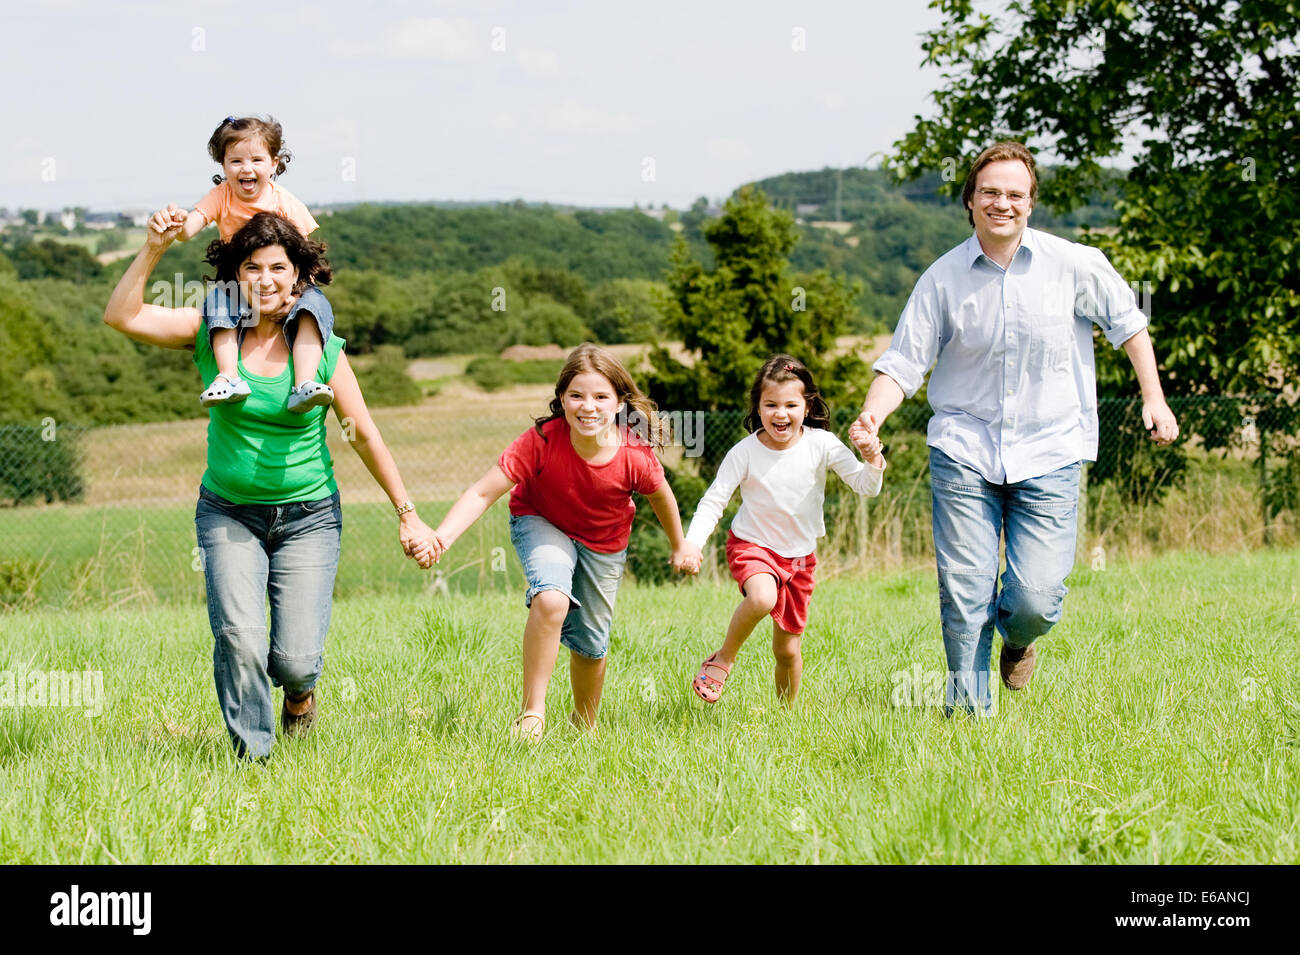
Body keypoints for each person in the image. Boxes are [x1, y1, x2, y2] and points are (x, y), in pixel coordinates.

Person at [859, 140, 1179, 714]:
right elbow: (902, 362)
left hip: (1051, 448)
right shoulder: (942, 279)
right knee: (965, 587)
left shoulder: (1075, 264)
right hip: (963, 447)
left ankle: (1021, 638)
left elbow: (1129, 326)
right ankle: (968, 714)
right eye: (989, 193)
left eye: (1014, 194)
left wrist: (1153, 399)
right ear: (970, 202)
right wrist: (871, 417)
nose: (1001, 203)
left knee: (1036, 594)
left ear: (1031, 203)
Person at [104, 209, 434, 759]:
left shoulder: (323, 347)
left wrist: (407, 512)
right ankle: (254, 760)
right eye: (251, 267)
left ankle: (300, 698)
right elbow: (122, 315)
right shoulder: (211, 335)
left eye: (278, 267)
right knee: (239, 638)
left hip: (309, 516)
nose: (264, 278)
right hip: (228, 512)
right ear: (236, 276)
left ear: (299, 274)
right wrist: (153, 249)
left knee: (295, 661)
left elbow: (363, 434)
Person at [411, 344, 697, 739]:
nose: (587, 406)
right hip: (541, 521)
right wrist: (441, 538)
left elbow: (661, 494)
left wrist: (679, 545)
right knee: (551, 597)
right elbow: (482, 492)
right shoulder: (542, 440)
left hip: (604, 540)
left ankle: (585, 725)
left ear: (618, 404)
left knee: (592, 642)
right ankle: (532, 714)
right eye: (576, 395)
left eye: (601, 397)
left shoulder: (634, 453)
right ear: (562, 398)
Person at [680, 355, 885, 705]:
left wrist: (872, 458)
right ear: (757, 407)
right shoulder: (744, 453)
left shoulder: (822, 444)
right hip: (752, 546)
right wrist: (692, 544)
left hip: (800, 560)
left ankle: (784, 717)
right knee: (762, 597)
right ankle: (723, 659)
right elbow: (714, 500)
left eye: (791, 404)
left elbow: (866, 486)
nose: (780, 413)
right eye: (770, 404)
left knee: (787, 651)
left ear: (807, 407)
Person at [172, 115, 334, 413]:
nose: (246, 168)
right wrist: (178, 222)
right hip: (238, 281)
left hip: (285, 282)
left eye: (257, 159)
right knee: (217, 304)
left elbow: (304, 252)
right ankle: (229, 377)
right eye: (236, 161)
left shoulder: (284, 201)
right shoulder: (221, 196)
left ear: (274, 164)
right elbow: (189, 229)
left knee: (315, 307)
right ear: (223, 166)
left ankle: (304, 384)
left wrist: (300, 292)